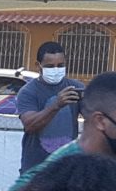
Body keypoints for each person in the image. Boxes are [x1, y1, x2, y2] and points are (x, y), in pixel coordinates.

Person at [16, 42, 86, 173]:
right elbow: (30, 125)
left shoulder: (75, 87)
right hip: (35, 169)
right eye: (50, 66)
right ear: (38, 66)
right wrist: (56, 105)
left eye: (60, 66)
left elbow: (93, 117)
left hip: (67, 168)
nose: (56, 70)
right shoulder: (28, 92)